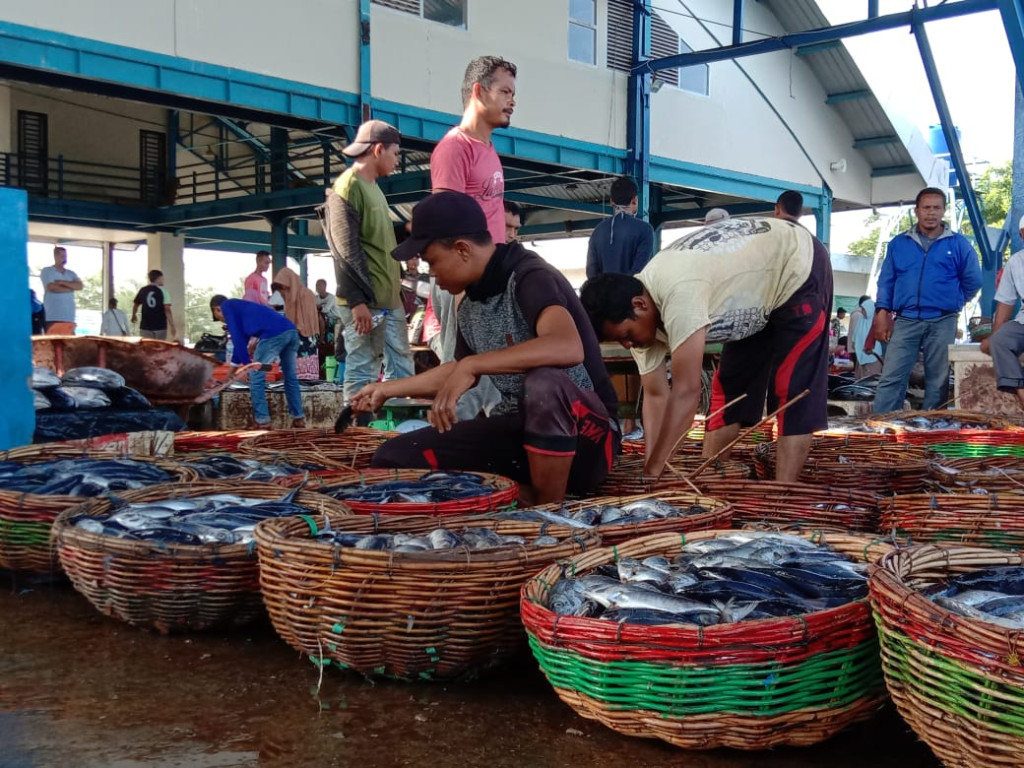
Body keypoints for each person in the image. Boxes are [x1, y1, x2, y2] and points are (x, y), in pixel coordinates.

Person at [351, 191, 619, 505]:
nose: (432, 275)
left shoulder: (530, 276)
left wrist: (473, 365)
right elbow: (459, 368)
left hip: (588, 440)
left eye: (432, 262)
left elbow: (567, 347)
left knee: (544, 385)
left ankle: (547, 510)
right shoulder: (469, 305)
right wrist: (388, 389)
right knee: (394, 458)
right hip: (521, 435)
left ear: (462, 249)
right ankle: (512, 496)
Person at [580, 216, 832, 483]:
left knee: (791, 389)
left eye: (626, 336)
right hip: (753, 293)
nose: (627, 345)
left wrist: (656, 469)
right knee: (729, 389)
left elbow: (686, 392)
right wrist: (651, 469)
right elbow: (655, 396)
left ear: (640, 305)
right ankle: (710, 479)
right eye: (620, 341)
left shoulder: (679, 294)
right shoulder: (636, 313)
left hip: (797, 264)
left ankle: (782, 494)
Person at [426, 55, 514, 419]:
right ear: (479, 92)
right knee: (462, 374)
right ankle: (449, 458)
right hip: (467, 281)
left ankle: (483, 455)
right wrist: (462, 289)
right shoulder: (454, 148)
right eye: (504, 91)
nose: (512, 100)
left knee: (491, 375)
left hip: (489, 280)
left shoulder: (488, 150)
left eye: (513, 92)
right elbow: (446, 224)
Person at [872, 187, 982, 413]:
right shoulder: (898, 243)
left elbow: (973, 280)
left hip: (943, 321)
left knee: (938, 381)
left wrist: (954, 302)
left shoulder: (959, 244)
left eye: (936, 208)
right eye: (926, 208)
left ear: (944, 210)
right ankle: (880, 426)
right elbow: (886, 281)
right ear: (917, 211)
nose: (931, 213)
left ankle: (930, 431)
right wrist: (882, 312)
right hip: (905, 319)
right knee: (891, 376)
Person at [332, 119, 414, 404]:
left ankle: (400, 431)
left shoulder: (374, 188)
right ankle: (357, 434)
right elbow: (344, 250)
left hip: (388, 300)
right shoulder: (348, 186)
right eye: (395, 153)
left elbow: (376, 242)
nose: (397, 160)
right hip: (366, 302)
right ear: (378, 149)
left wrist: (405, 232)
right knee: (363, 367)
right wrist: (357, 302)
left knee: (401, 365)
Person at [210, 294, 305, 429]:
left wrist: (248, 366)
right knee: (290, 377)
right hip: (290, 331)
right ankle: (298, 418)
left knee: (255, 376)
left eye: (220, 319)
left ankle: (262, 421)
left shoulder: (227, 306)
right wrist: (230, 374)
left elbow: (237, 340)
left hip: (273, 334)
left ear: (217, 309)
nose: (224, 322)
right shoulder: (242, 309)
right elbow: (241, 343)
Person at [981, 214, 1024, 409]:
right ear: (1022, 235)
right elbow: (1005, 302)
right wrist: (993, 339)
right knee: (999, 341)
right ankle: (1022, 392)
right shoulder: (1016, 262)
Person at [585, 176, 656, 279]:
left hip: (602, 293)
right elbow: (639, 271)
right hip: (630, 294)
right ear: (635, 200)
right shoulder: (645, 230)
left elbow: (591, 272)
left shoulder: (598, 230)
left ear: (611, 201)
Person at [274, 266, 321, 380]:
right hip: (297, 335)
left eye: (284, 285)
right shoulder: (291, 295)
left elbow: (306, 318)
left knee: (304, 378)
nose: (283, 289)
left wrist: (297, 326)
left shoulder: (305, 294)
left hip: (305, 335)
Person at [41, 246, 82, 334]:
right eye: (62, 256)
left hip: (69, 317)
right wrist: (71, 287)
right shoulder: (47, 271)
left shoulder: (71, 273)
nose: (64, 258)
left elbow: (79, 286)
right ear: (55, 256)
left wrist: (62, 282)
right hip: (53, 316)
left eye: (65, 256)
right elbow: (52, 287)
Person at [132, 269, 176, 340]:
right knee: (159, 348)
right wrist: (172, 325)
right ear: (158, 279)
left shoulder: (143, 290)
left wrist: (134, 315)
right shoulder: (164, 291)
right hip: (160, 326)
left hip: (145, 326)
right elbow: (167, 309)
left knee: (147, 348)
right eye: (162, 279)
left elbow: (136, 304)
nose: (163, 280)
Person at [849, 294, 883, 378]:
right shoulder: (861, 320)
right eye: (862, 309)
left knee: (871, 380)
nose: (862, 312)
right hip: (860, 356)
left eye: (864, 310)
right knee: (860, 379)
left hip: (873, 356)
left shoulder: (877, 323)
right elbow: (855, 336)